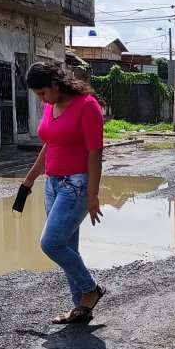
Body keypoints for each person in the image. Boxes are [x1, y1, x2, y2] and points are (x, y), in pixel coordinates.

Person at [21, 61, 108, 324]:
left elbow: (95, 152)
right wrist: (30, 178)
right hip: (53, 183)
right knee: (68, 246)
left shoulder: (87, 106)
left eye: (42, 93)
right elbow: (50, 142)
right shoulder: (51, 106)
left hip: (77, 185)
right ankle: (80, 306)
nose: (41, 100)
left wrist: (92, 195)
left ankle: (91, 289)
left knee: (51, 243)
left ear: (55, 85)